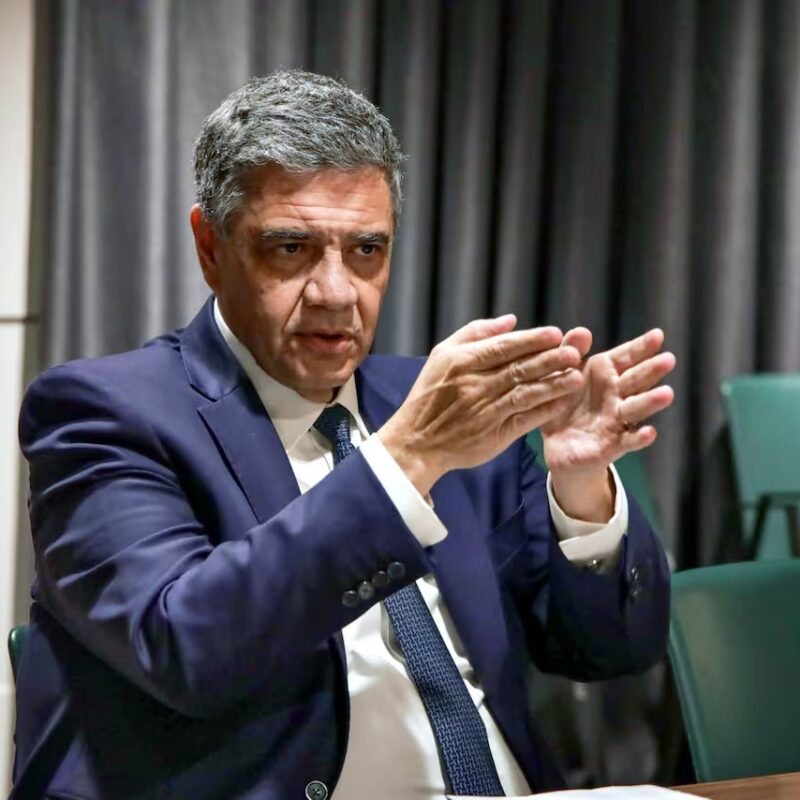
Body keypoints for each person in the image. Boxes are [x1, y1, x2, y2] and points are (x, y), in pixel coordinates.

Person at [12, 70, 674, 800]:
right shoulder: (104, 413)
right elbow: (181, 646)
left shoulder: (439, 404)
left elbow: (611, 651)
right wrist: (405, 461)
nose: (335, 293)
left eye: (366, 251)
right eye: (290, 249)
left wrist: (579, 490)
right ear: (210, 246)